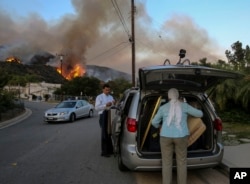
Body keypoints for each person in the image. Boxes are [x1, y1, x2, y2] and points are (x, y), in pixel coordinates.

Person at [152, 88, 203, 184]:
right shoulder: (184, 106)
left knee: (166, 163)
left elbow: (154, 122)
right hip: (181, 136)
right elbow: (200, 114)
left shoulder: (163, 107)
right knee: (182, 162)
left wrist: (160, 127)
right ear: (178, 96)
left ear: (168, 97)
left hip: (165, 137)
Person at [95, 83, 115, 157]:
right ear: (103, 89)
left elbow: (113, 106)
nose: (108, 91)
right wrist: (105, 105)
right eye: (106, 90)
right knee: (104, 133)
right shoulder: (99, 97)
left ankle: (110, 150)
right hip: (103, 115)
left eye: (109, 90)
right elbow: (96, 108)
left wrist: (113, 103)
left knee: (109, 133)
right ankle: (104, 152)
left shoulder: (111, 97)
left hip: (110, 114)